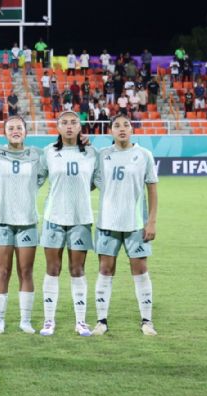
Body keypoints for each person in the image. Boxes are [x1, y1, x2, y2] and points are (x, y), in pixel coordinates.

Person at [91, 114, 158, 336]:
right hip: (107, 223)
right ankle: (101, 321)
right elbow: (93, 182)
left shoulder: (144, 155)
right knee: (105, 269)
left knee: (140, 269)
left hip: (136, 224)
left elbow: (152, 189)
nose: (122, 129)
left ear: (132, 130)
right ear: (110, 131)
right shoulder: (102, 156)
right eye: (117, 125)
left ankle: (147, 321)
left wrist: (152, 221)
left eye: (126, 125)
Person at [0, 116, 45, 334]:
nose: (15, 131)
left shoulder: (38, 155)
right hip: (1, 220)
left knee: (26, 271)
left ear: (26, 132)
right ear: (4, 133)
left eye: (19, 128)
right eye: (11, 128)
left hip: (27, 220)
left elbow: (47, 171)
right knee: (2, 270)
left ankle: (25, 321)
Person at [38, 112, 97, 337]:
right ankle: (49, 320)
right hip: (54, 218)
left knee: (77, 269)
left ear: (80, 126)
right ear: (58, 127)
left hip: (81, 219)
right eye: (64, 123)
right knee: (52, 269)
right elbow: (39, 178)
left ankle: (81, 321)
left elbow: (94, 182)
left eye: (74, 122)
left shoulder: (91, 153)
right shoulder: (49, 152)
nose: (69, 126)